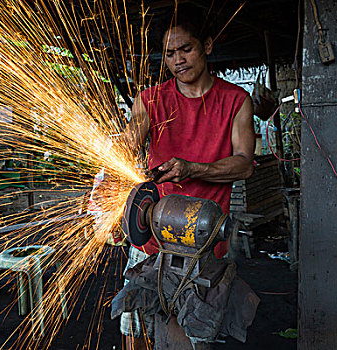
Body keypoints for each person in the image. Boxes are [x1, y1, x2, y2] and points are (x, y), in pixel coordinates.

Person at [120, 5, 255, 349]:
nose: (178, 59)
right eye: (169, 54)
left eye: (186, 49)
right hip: (151, 244)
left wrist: (194, 168)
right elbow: (127, 145)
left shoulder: (236, 101)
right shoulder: (149, 100)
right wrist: (109, 164)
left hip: (207, 247)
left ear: (207, 46)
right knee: (136, 331)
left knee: (199, 335)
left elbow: (244, 164)